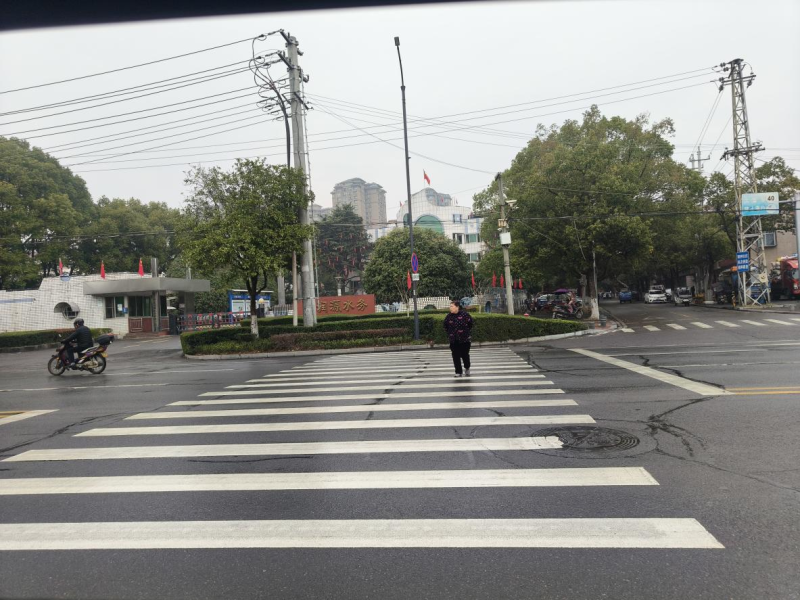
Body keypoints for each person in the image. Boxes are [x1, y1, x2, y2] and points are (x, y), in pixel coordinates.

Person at [443, 299, 474, 377]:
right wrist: (450, 334)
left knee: (465, 355)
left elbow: (470, 324)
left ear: (457, 307)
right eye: (450, 306)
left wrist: (465, 332)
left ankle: (467, 367)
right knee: (455, 356)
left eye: (452, 306)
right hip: (453, 340)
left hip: (464, 339)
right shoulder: (448, 316)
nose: (450, 308)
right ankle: (458, 371)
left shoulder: (465, 315)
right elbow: (445, 326)